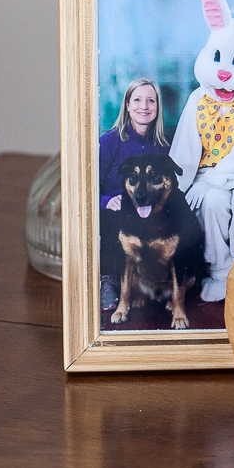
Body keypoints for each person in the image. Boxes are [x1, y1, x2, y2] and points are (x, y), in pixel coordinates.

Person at [98, 78, 172, 309]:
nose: (144, 106)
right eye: (138, 100)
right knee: (116, 219)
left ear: (157, 107)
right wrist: (107, 201)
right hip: (116, 212)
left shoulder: (164, 144)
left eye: (151, 101)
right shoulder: (109, 142)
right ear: (127, 105)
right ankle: (109, 280)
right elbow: (87, 188)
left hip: (151, 211)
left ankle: (162, 281)